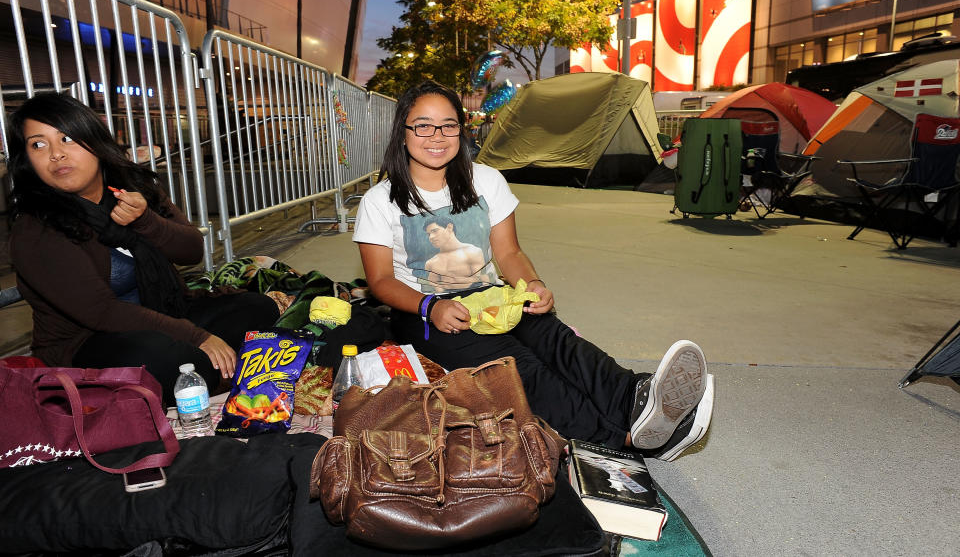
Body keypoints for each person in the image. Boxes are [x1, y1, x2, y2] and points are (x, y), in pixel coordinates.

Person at [353, 80, 715, 459]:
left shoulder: (486, 180)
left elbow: (509, 253)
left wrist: (534, 284)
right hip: (425, 311)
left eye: (448, 125)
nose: (437, 136)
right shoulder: (381, 200)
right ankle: (625, 439)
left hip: (490, 297)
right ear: (403, 132)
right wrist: (431, 307)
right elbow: (380, 281)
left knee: (557, 340)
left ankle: (639, 399)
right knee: (520, 366)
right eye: (423, 125)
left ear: (462, 128)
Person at [7, 93, 279, 404]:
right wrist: (198, 337)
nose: (56, 154)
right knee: (168, 360)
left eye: (67, 138)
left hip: (167, 312)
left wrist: (145, 221)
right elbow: (101, 312)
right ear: (27, 160)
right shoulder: (37, 228)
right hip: (91, 341)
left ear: (94, 141)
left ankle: (210, 375)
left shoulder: (134, 189)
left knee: (257, 308)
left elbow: (191, 251)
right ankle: (216, 373)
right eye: (38, 145)